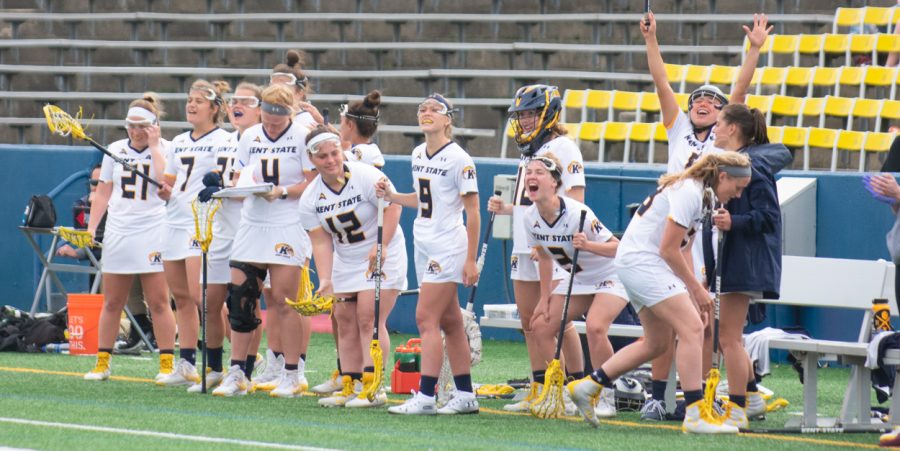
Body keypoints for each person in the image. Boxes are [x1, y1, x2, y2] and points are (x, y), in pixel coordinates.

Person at [637, 11, 771, 421]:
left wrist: (754, 50)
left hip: (705, 235)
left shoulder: (722, 138)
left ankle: (708, 393)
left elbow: (740, 88)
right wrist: (651, 40)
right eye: (698, 99)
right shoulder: (678, 131)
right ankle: (660, 395)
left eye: (713, 102)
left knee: (704, 322)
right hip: (676, 229)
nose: (703, 104)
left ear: (723, 117)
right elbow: (662, 82)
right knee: (668, 319)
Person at [567, 152, 752, 434]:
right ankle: (694, 414)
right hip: (645, 263)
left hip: (639, 263)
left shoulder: (705, 195)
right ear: (723, 176)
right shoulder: (691, 191)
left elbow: (684, 248)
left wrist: (696, 291)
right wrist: (693, 289)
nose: (738, 195)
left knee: (657, 343)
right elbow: (668, 249)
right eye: (738, 188)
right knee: (691, 328)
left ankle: (589, 385)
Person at [487, 84, 590, 415]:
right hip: (526, 241)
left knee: (555, 320)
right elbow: (530, 203)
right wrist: (508, 210)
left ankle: (572, 386)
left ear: (548, 113)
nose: (525, 121)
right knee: (529, 320)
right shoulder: (530, 151)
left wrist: (549, 239)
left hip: (550, 246)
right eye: (522, 115)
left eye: (530, 113)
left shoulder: (564, 147)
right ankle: (540, 385)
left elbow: (575, 200)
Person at [376, 94, 481, 415]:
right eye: (422, 108)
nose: (427, 113)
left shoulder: (459, 158)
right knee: (450, 322)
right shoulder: (418, 152)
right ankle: (465, 394)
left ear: (448, 119)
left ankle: (425, 396)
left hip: (448, 244)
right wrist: (393, 196)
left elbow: (473, 212)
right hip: (424, 242)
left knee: (425, 318)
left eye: (435, 109)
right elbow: (423, 200)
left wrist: (471, 259)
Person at [213, 84, 315, 397]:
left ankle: (291, 372)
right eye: (267, 118)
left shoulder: (301, 136)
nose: (271, 124)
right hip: (252, 221)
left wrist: (282, 191)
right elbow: (241, 175)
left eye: (277, 120)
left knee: (284, 300)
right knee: (241, 296)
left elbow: (312, 180)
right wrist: (230, 188)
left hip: (287, 221)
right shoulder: (250, 136)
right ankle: (238, 371)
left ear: (289, 114)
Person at [299, 126, 407, 408]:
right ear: (312, 160)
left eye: (334, 153)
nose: (331, 160)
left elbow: (394, 206)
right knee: (344, 319)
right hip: (346, 258)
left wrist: (380, 246)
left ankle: (374, 386)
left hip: (383, 250)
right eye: (322, 156)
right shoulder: (310, 198)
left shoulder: (365, 175)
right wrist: (325, 279)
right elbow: (321, 243)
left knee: (368, 318)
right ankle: (352, 382)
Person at [523, 154, 629, 419]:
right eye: (529, 172)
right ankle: (559, 389)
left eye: (539, 172)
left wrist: (588, 245)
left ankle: (606, 395)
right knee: (540, 325)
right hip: (578, 278)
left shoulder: (578, 213)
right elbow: (545, 256)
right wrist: (545, 297)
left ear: (555, 182)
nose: (531, 177)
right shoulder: (529, 217)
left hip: (611, 274)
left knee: (595, 326)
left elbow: (618, 248)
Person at [83, 94, 177, 381]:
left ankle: (166, 364)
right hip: (119, 230)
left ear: (154, 125)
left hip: (153, 228)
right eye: (131, 125)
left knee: (159, 300)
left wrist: (154, 146)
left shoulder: (168, 149)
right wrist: (91, 227)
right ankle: (102, 362)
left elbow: (166, 183)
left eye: (142, 126)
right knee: (112, 301)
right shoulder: (114, 149)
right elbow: (104, 191)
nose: (136, 131)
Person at [709, 103, 792, 427]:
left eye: (718, 123)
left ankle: (738, 410)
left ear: (732, 129)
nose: (713, 129)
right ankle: (751, 396)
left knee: (728, 338)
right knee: (729, 338)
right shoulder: (737, 162)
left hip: (746, 262)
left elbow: (769, 217)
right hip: (736, 260)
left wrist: (735, 221)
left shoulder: (753, 166)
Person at [157, 79, 234, 387]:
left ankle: (234, 356)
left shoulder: (224, 140)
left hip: (201, 222)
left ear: (215, 108)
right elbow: (171, 182)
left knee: (203, 297)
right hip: (173, 220)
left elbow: (223, 180)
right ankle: (187, 362)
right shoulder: (178, 141)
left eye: (199, 101)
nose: (191, 105)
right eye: (189, 100)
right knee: (182, 298)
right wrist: (165, 191)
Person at [188, 82, 264, 393]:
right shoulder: (224, 142)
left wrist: (227, 188)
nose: (239, 105)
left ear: (259, 107)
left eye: (247, 100)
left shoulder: (264, 141)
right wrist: (215, 185)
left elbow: (259, 187)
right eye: (236, 99)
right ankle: (214, 367)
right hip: (220, 230)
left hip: (251, 230)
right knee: (209, 301)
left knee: (245, 302)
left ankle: (243, 369)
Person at [311, 90, 387, 396]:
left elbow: (384, 201)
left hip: (369, 246)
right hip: (348, 249)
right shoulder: (352, 152)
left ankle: (369, 379)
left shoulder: (361, 159)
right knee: (344, 317)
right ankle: (348, 373)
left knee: (366, 320)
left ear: (349, 124)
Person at [271, 50, 324, 128]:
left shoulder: (308, 123)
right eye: (272, 90)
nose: (277, 95)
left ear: (299, 93)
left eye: (283, 90)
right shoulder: (264, 118)